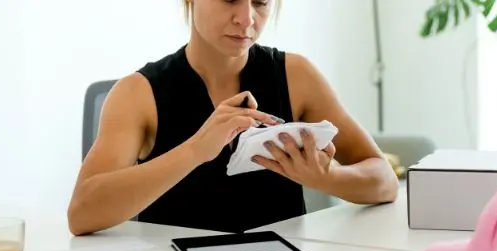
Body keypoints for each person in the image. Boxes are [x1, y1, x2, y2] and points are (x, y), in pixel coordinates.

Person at [67, 0, 400, 236]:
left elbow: (384, 181)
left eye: (260, 2)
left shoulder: (297, 76)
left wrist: (328, 178)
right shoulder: (137, 93)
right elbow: (82, 213)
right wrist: (196, 150)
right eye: (229, 0)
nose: (246, 18)